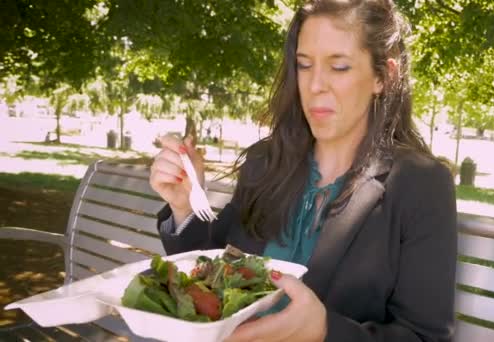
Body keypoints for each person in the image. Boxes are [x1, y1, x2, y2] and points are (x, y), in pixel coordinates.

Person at [149, 0, 457, 341]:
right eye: (304, 65)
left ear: (384, 76)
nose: (314, 86)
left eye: (339, 67)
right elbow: (210, 280)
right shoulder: (265, 162)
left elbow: (425, 337)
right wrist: (185, 207)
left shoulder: (420, 185)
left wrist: (324, 331)